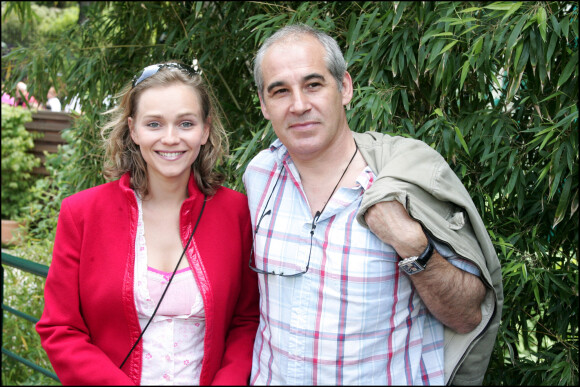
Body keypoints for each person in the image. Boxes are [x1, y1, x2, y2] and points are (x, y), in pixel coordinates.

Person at [243, 24, 503, 385]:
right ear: (264, 104)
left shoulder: (402, 181)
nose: (299, 105)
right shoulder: (259, 176)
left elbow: (467, 316)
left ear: (345, 87)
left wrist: (415, 247)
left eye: (313, 84)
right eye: (280, 91)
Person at [36, 61, 260, 385]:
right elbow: (60, 329)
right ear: (133, 129)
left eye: (185, 123)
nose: (170, 138)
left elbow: (247, 320)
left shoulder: (237, 213)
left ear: (205, 130)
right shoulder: (82, 214)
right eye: (154, 124)